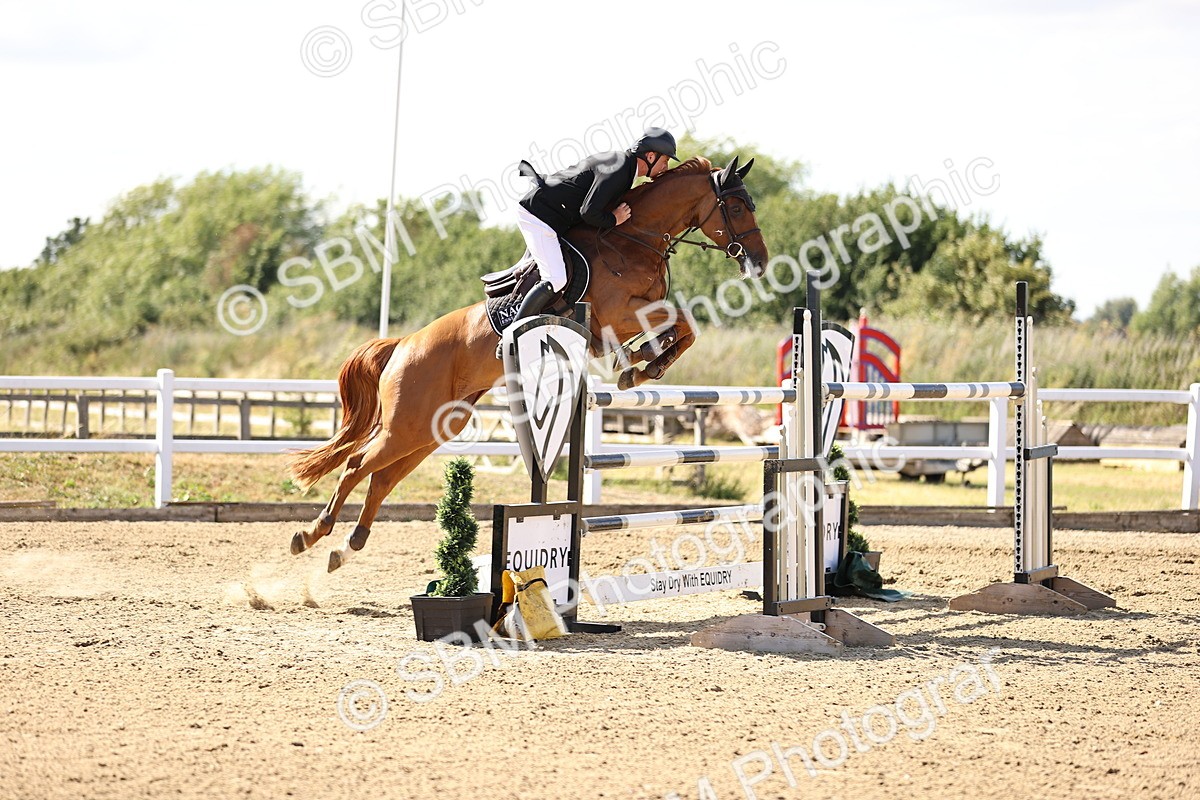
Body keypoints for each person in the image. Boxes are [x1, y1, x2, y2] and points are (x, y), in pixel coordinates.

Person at [509, 128, 680, 322]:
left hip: (556, 216)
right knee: (556, 279)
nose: (666, 167)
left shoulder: (623, 168)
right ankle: (514, 332)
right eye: (665, 160)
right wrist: (614, 219)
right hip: (538, 216)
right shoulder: (620, 169)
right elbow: (588, 211)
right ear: (650, 156)